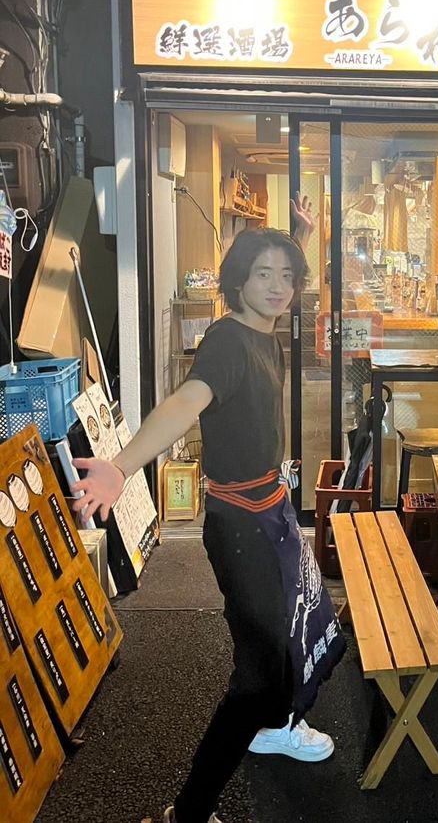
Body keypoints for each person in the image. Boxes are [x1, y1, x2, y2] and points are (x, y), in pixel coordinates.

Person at [71, 196, 346, 823]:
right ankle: (189, 812)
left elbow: (282, 271)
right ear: (237, 282)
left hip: (270, 516)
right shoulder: (226, 342)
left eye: (287, 276)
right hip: (241, 528)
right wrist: (122, 464)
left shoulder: (264, 329)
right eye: (262, 274)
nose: (277, 287)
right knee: (257, 676)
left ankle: (274, 725)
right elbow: (184, 402)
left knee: (284, 640)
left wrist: (300, 235)